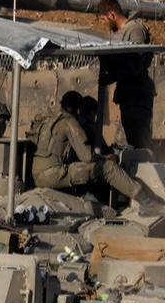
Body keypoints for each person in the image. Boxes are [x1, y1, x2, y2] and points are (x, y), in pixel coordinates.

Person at [31, 91, 164, 214]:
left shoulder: (48, 120)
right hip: (54, 174)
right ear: (78, 110)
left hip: (38, 173)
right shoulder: (70, 123)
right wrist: (108, 158)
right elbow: (88, 157)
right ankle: (148, 203)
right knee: (108, 168)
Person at [97, 0, 155, 152]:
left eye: (103, 20)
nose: (103, 25)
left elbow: (136, 66)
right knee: (131, 140)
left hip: (138, 95)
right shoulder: (118, 33)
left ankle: (150, 174)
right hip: (127, 96)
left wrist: (112, 76)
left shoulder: (135, 30)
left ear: (112, 15)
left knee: (141, 143)